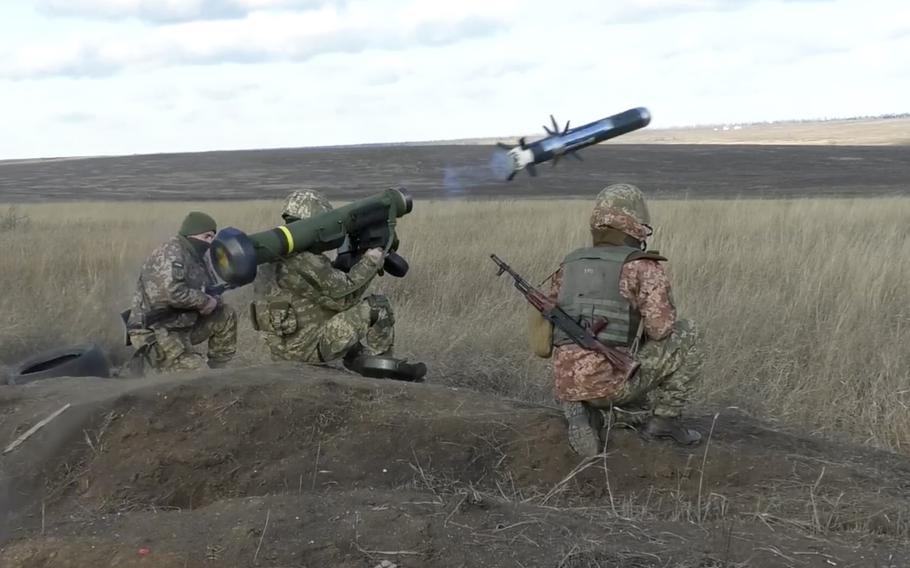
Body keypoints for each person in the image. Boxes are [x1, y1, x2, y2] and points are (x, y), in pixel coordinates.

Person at [539, 183, 704, 457]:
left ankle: (587, 410)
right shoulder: (643, 266)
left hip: (566, 382)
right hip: (611, 384)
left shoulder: (568, 265)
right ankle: (664, 420)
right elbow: (661, 330)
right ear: (633, 221)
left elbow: (546, 333)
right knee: (686, 333)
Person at [250, 189, 426, 381]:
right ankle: (384, 370)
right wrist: (370, 260)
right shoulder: (304, 260)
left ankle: (361, 361)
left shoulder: (271, 258)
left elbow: (316, 292)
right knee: (378, 306)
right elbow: (345, 298)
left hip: (283, 352)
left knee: (335, 318)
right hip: (308, 352)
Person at [124, 211, 237, 373]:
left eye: (213, 237)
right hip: (156, 330)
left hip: (182, 324)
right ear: (193, 234)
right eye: (207, 237)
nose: (210, 242)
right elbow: (172, 293)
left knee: (226, 314)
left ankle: (220, 371)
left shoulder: (198, 257)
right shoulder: (171, 253)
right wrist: (204, 301)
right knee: (198, 374)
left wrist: (214, 300)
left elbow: (209, 287)